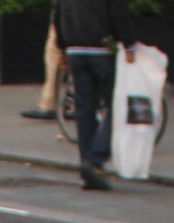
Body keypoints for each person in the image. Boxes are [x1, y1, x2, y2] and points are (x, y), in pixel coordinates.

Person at [54, 0, 136, 190]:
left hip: (75, 50)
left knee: (84, 109)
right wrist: (129, 44)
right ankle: (94, 159)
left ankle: (87, 167)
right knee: (118, 106)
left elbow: (58, 14)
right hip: (102, 49)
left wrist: (62, 46)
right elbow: (118, 13)